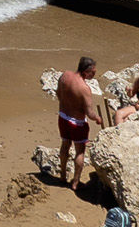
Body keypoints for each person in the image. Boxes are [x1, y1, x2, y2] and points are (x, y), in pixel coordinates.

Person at [56, 57, 98, 190]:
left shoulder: (65, 76)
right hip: (77, 123)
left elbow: (58, 94)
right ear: (86, 72)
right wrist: (98, 118)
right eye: (93, 72)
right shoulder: (84, 89)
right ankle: (75, 182)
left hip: (63, 117)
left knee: (65, 145)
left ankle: (62, 175)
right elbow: (90, 113)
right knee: (80, 151)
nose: (95, 75)